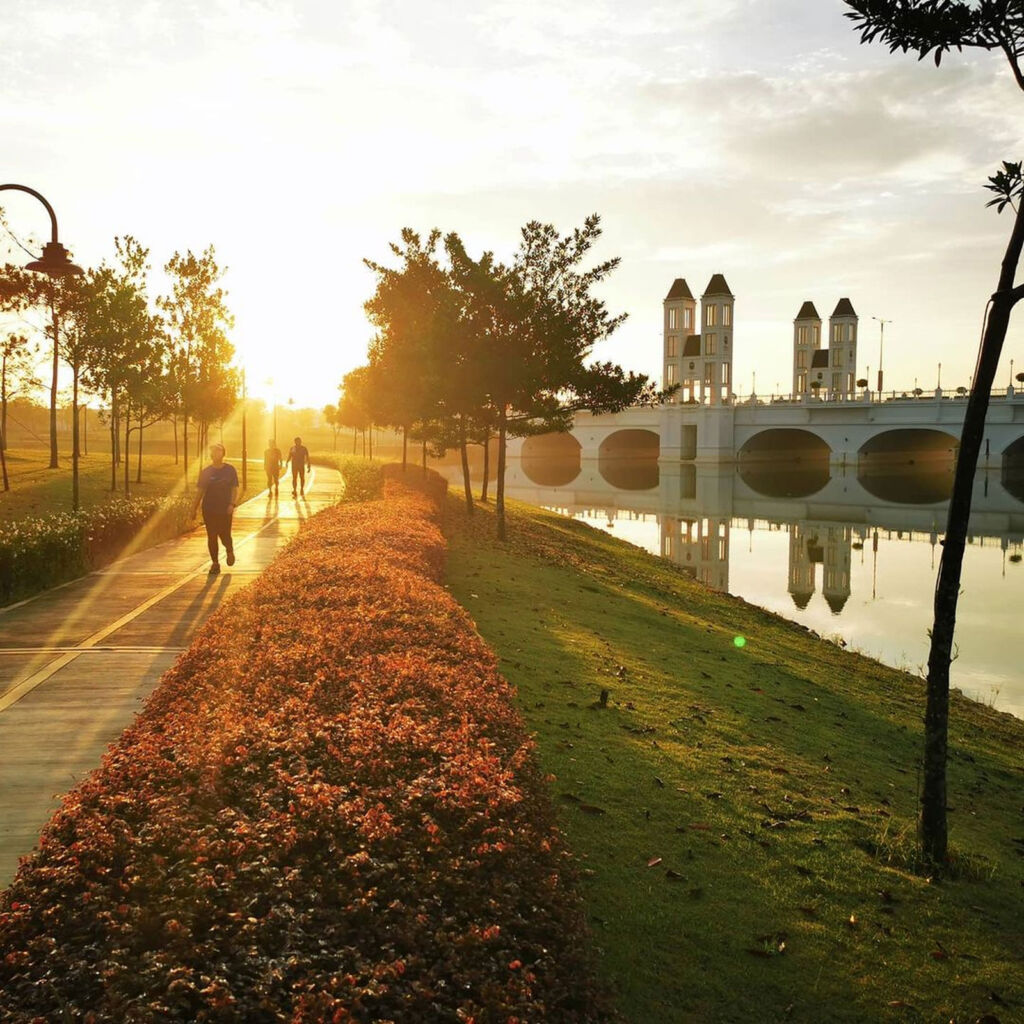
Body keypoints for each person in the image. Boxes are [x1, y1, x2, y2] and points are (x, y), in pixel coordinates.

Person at [193, 442, 239, 575]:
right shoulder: (206, 472)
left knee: (225, 535)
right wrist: (193, 508)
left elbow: (234, 489)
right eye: (213, 451)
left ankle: (229, 550)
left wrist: (232, 504)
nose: (215, 454)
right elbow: (200, 491)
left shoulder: (230, 470)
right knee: (211, 536)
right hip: (209, 509)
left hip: (225, 509)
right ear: (211, 455)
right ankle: (215, 563)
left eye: (218, 451)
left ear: (223, 453)